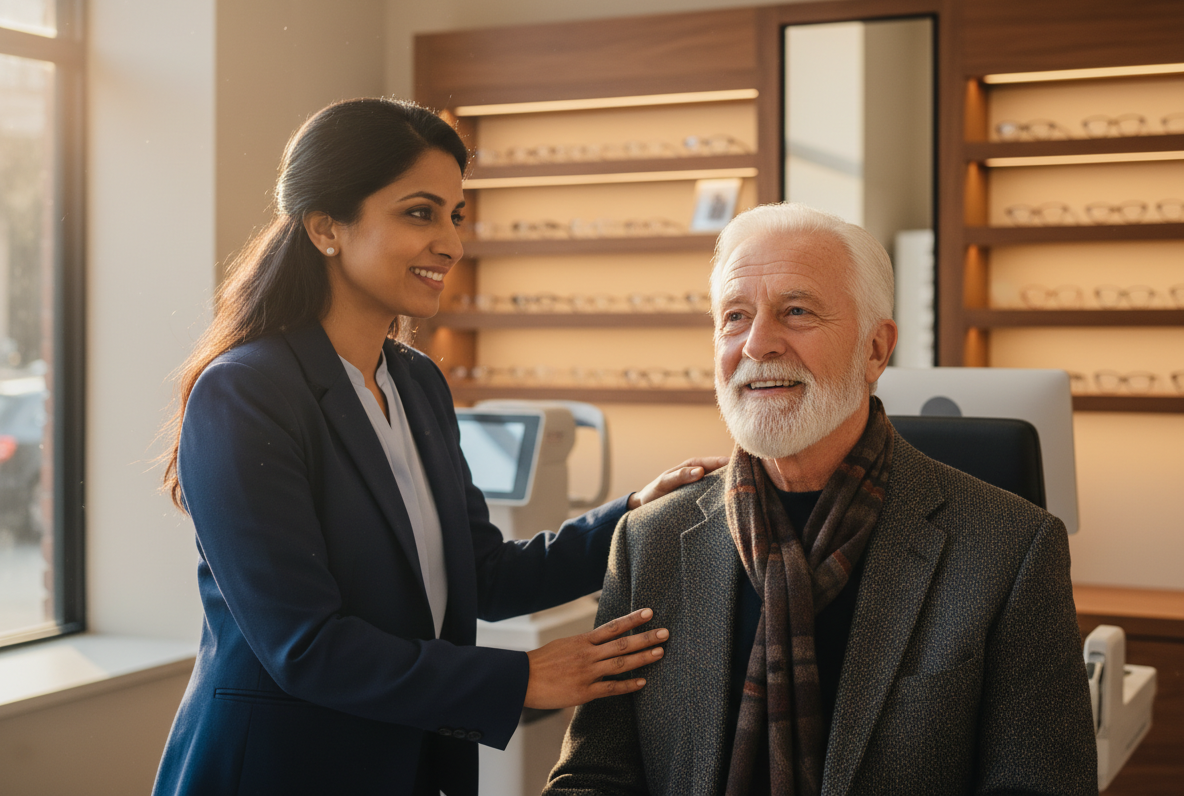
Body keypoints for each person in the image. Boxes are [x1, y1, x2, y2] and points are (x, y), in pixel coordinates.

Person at [152, 98, 725, 796]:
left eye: (455, 216)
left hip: (413, 768)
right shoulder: (245, 393)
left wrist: (638, 513)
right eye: (419, 213)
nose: (451, 243)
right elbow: (304, 646)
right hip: (282, 768)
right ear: (327, 227)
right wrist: (522, 677)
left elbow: (484, 575)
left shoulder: (418, 382)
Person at [545, 203, 1096, 796]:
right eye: (735, 317)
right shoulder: (649, 540)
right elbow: (595, 773)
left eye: (796, 311)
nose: (758, 344)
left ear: (875, 350)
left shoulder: (1010, 550)